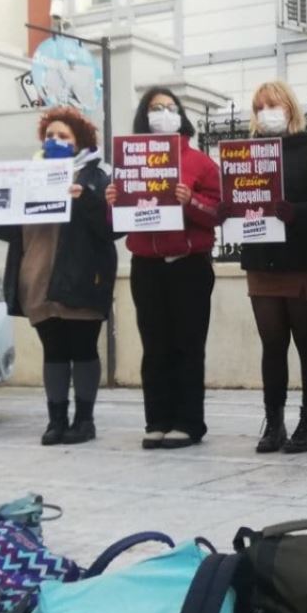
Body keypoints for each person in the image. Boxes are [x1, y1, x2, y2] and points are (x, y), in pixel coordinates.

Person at [0, 106, 117, 445]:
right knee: (54, 350)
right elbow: (7, 229)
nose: (54, 141)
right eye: (50, 135)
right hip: (37, 277)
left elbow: (113, 229)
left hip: (82, 277)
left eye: (63, 136)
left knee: (82, 348)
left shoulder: (97, 176)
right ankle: (55, 420)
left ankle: (84, 420)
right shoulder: (26, 174)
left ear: (80, 140)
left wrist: (88, 201)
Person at [106, 87, 222, 449]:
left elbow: (219, 212)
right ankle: (157, 420)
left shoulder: (200, 162)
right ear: (144, 116)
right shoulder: (129, 160)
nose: (164, 113)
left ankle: (189, 423)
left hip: (189, 264)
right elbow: (117, 224)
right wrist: (111, 202)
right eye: (156, 108)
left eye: (171, 107)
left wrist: (192, 202)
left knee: (188, 345)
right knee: (154, 345)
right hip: (147, 266)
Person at [233, 80, 307, 454]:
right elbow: (240, 201)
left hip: (306, 260)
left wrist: (297, 214)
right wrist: (226, 211)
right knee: (272, 343)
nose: (266, 112)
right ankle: (274, 422)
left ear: (291, 107)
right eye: (259, 106)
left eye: (272, 104)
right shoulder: (246, 155)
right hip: (262, 259)